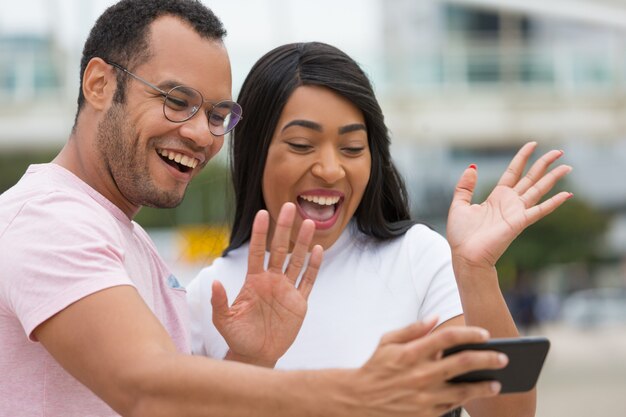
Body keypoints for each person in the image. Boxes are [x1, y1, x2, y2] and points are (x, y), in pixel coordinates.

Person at [0, 2, 508, 417]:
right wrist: (360, 392)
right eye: (176, 100)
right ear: (98, 84)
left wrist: (250, 360)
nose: (200, 133)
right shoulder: (49, 220)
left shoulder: (122, 236)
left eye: (217, 113)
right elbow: (144, 389)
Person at [188, 42, 573, 417]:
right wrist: (251, 360)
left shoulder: (417, 256)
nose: (330, 169)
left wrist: (475, 271)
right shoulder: (211, 294)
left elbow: (507, 413)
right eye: (302, 144)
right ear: (254, 150)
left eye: (352, 148)